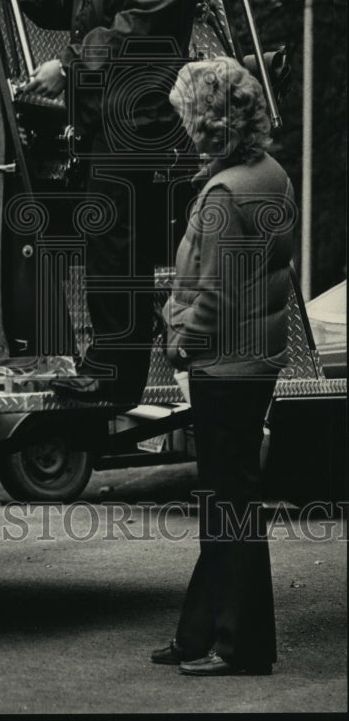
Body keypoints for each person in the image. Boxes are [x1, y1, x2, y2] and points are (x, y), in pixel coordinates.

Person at [0, 0, 205, 405]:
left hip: (141, 125)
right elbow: (80, 6)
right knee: (110, 249)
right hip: (99, 127)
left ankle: (112, 373)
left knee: (117, 251)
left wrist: (64, 65)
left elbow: (132, 33)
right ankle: (113, 370)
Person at [153, 57, 296, 676]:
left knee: (230, 508)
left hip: (224, 366)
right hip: (254, 360)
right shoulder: (271, 175)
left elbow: (212, 293)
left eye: (188, 115)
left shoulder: (220, 194)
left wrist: (179, 341)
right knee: (227, 500)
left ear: (210, 123)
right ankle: (199, 632)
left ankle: (244, 649)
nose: (183, 125)